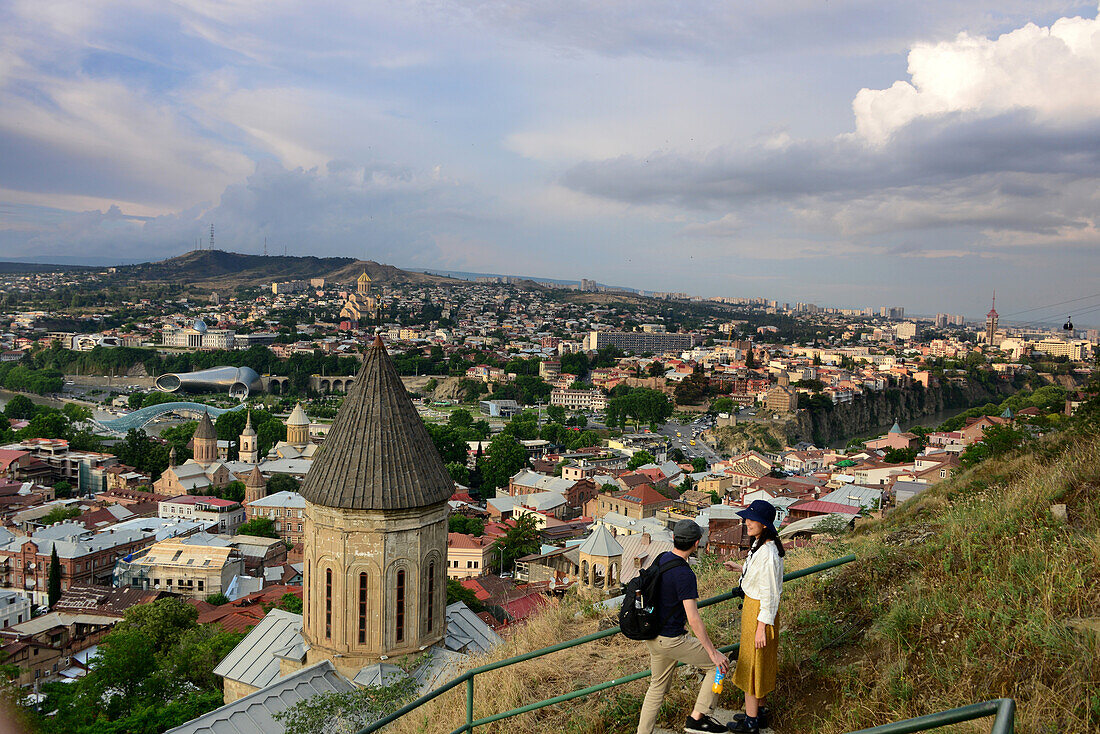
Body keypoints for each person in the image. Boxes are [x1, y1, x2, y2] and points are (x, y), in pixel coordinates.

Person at [636, 519, 730, 734]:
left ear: (673, 538)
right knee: (717, 665)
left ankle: (643, 732)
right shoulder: (685, 574)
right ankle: (699, 718)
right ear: (696, 543)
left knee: (656, 686)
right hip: (671, 639)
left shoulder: (661, 559)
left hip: (653, 635)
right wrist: (713, 652)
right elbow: (694, 618)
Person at [723, 500, 785, 733]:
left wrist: (761, 627)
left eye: (752, 519)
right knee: (760, 661)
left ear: (765, 524)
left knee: (751, 663)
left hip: (759, 612)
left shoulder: (767, 553)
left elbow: (770, 593)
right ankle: (758, 712)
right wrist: (741, 569)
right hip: (756, 610)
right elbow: (762, 577)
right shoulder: (762, 545)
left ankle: (751, 723)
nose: (746, 522)